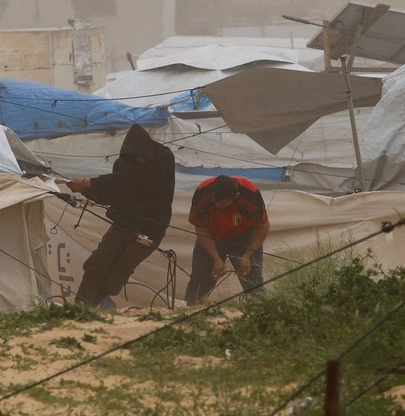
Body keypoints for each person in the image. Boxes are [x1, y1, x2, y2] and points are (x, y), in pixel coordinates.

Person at [67, 124, 175, 306]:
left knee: (117, 274)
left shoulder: (163, 158)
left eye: (141, 157)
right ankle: (81, 308)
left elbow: (134, 179)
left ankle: (91, 305)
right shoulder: (124, 164)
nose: (139, 161)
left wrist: (88, 183)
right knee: (96, 264)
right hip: (122, 225)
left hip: (150, 231)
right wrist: (86, 191)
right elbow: (115, 193)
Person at [184, 175, 270, 306]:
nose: (218, 205)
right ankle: (190, 309)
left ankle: (261, 312)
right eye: (215, 201)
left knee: (253, 280)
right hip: (212, 235)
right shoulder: (202, 193)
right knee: (201, 277)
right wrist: (216, 258)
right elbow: (201, 228)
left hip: (245, 236)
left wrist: (247, 255)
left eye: (223, 204)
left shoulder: (250, 195)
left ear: (235, 196)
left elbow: (264, 227)